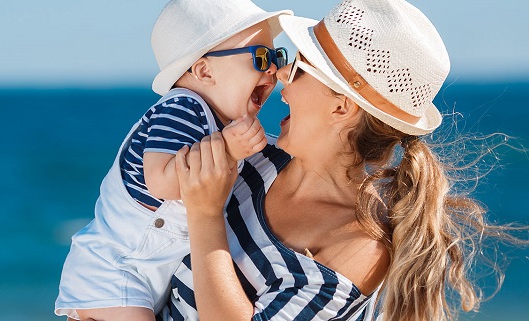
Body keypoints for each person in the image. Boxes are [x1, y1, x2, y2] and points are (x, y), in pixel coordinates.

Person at [163, 0, 527, 320]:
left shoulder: (358, 248)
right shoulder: (251, 158)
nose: (282, 84)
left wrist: (205, 214)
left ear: (341, 106)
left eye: (298, 69)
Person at [54, 0, 293, 320]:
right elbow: (161, 180)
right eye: (261, 58)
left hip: (146, 273)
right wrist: (228, 149)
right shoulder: (183, 107)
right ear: (204, 70)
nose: (274, 70)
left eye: (278, 56)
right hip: (113, 269)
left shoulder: (216, 121)